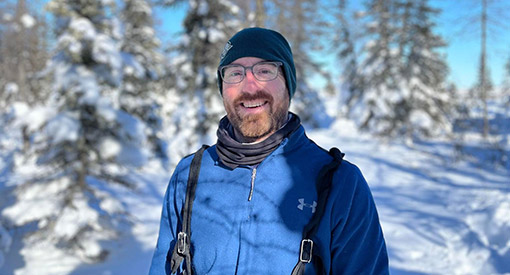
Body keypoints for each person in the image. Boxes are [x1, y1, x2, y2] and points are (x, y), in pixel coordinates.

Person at [149, 27, 389, 275]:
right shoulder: (190, 174)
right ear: (222, 89)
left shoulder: (339, 183)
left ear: (288, 84)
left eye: (265, 71)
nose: (249, 86)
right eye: (235, 73)